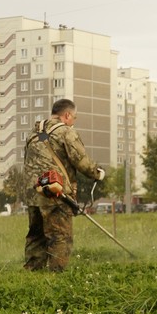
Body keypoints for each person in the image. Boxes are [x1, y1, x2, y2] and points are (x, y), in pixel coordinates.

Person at [23, 99, 105, 272]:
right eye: (74, 117)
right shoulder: (65, 132)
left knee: (36, 235)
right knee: (59, 236)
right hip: (55, 192)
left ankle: (31, 273)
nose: (74, 121)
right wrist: (97, 174)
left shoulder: (34, 132)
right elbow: (81, 161)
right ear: (67, 115)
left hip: (34, 193)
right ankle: (56, 277)